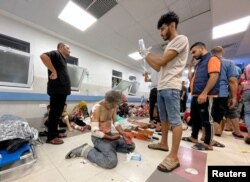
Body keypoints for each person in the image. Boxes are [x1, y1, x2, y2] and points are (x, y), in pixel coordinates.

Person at [139, 11, 189, 172]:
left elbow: (160, 61)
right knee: (164, 119)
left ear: (172, 25)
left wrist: (147, 53)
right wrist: (146, 56)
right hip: (162, 87)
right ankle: (163, 143)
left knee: (175, 121)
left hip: (172, 87)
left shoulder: (181, 40)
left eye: (162, 29)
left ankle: (174, 157)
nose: (161, 33)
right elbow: (157, 66)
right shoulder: (170, 45)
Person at [65, 90, 135, 169]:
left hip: (109, 135)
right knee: (111, 162)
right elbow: (95, 132)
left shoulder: (112, 106)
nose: (116, 107)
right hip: (99, 139)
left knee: (131, 146)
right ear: (110, 101)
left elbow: (116, 122)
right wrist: (112, 138)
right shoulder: (97, 108)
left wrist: (123, 133)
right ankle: (85, 150)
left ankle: (106, 149)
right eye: (116, 104)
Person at [182, 42, 221, 150]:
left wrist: (204, 93)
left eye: (194, 52)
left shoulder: (212, 59)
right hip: (195, 94)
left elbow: (214, 76)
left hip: (205, 95)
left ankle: (208, 143)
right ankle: (194, 137)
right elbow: (190, 79)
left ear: (202, 48)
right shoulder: (199, 64)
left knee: (207, 119)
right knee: (195, 118)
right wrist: (190, 67)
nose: (193, 55)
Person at [40, 42, 71, 145]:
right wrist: (53, 71)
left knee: (58, 114)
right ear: (61, 47)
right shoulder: (56, 53)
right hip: (57, 90)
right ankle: (51, 137)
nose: (69, 50)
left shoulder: (63, 59)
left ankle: (55, 133)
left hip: (62, 91)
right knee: (54, 114)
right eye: (68, 48)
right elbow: (43, 56)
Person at [210, 46, 243, 138]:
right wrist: (234, 97)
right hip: (222, 92)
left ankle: (210, 134)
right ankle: (212, 136)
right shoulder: (229, 63)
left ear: (212, 54)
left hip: (208, 92)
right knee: (222, 113)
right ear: (222, 52)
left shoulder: (208, 63)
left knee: (210, 114)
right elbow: (232, 81)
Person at [242, 64, 250, 144]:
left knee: (247, 113)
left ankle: (249, 134)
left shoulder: (247, 67)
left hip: (247, 90)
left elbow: (244, 78)